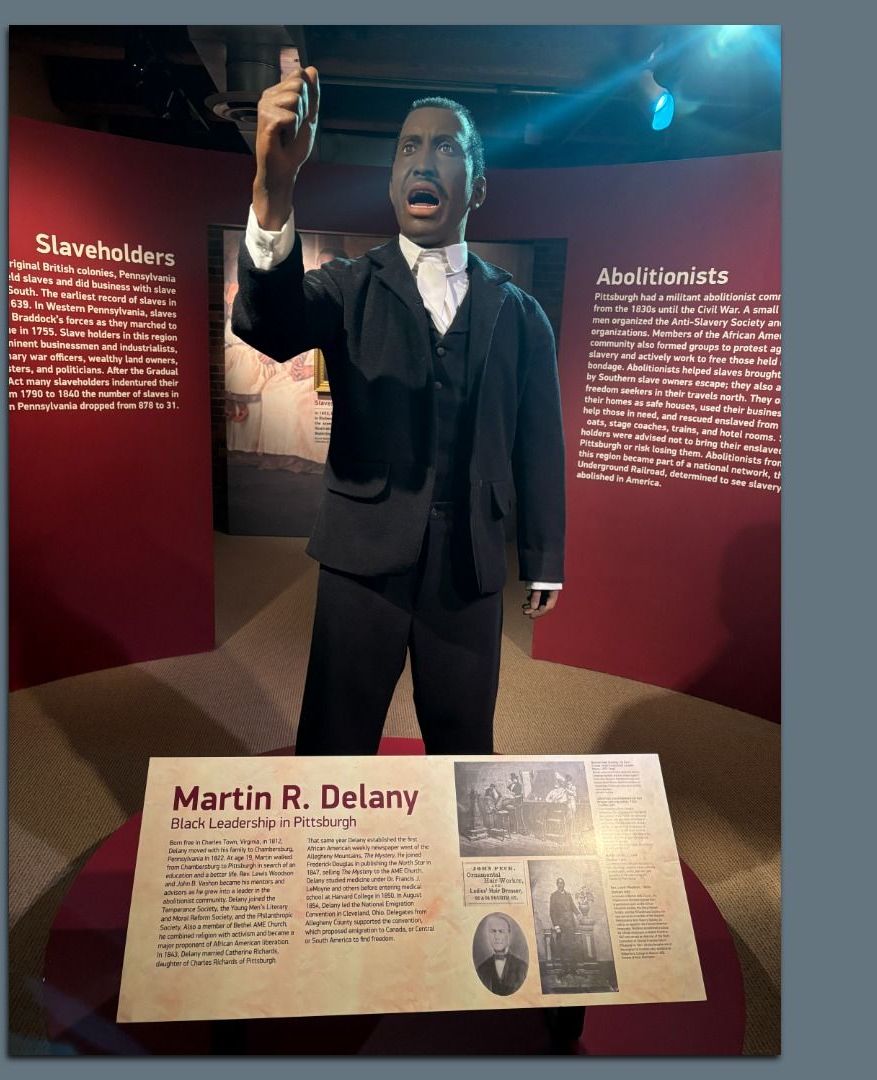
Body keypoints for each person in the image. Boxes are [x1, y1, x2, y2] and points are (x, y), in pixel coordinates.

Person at [233, 65, 566, 756]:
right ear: (391, 185)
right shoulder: (348, 288)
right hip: (362, 557)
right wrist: (275, 188)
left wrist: (543, 556)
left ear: (477, 184)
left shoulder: (521, 314)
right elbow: (267, 323)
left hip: (469, 561)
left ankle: (460, 863)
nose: (424, 159)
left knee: (464, 739)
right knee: (336, 733)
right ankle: (328, 857)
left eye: (447, 147)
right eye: (409, 147)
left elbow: (538, 444)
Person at [474, 913, 528, 996]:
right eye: (493, 931)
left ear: (509, 935)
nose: (497, 936)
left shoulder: (522, 967)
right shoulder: (481, 969)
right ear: (488, 935)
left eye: (501, 931)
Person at [548, 877, 580, 962]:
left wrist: (578, 914)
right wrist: (556, 925)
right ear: (557, 884)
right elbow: (552, 912)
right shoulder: (553, 896)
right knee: (562, 946)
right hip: (561, 924)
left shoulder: (568, 895)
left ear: (564, 884)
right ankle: (564, 969)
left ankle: (573, 969)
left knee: (572, 945)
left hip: (570, 923)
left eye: (561, 883)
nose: (560, 884)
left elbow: (572, 906)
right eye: (558, 883)